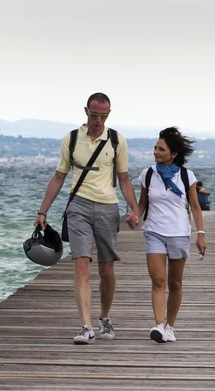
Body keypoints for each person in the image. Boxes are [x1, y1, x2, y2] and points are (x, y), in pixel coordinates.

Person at [34, 92, 140, 345]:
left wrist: (134, 210)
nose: (98, 120)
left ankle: (104, 317)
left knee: (106, 267)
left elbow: (124, 179)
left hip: (107, 207)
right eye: (94, 115)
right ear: (86, 112)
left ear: (109, 114)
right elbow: (59, 177)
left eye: (104, 115)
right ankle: (86, 326)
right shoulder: (71, 139)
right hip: (78, 205)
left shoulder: (117, 140)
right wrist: (42, 211)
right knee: (81, 264)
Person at [137, 127, 206, 343]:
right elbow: (142, 204)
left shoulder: (186, 176)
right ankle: (158, 326)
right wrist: (133, 216)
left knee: (175, 283)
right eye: (155, 148)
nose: (156, 152)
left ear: (173, 153)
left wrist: (200, 233)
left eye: (161, 149)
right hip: (154, 232)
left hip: (178, 233)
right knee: (158, 280)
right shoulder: (148, 174)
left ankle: (170, 326)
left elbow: (195, 207)